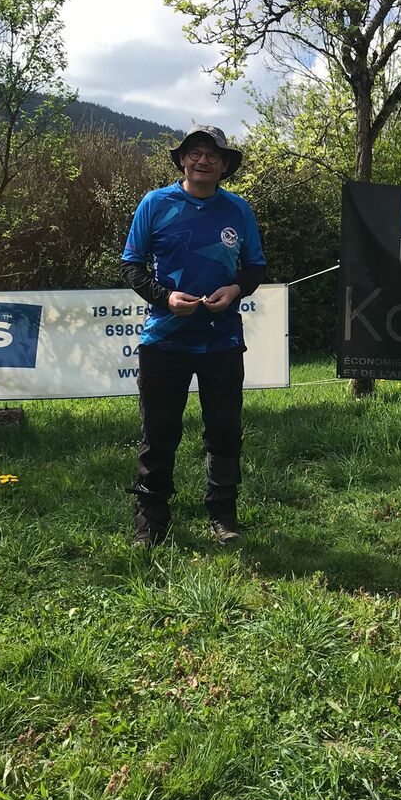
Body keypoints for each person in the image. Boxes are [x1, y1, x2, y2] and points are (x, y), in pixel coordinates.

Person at [121, 125, 267, 547]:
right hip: (163, 341)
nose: (203, 160)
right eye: (195, 153)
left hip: (222, 342)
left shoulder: (238, 209)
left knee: (224, 431)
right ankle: (150, 523)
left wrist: (235, 289)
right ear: (182, 160)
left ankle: (223, 516)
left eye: (212, 155)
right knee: (158, 433)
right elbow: (131, 265)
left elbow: (255, 267)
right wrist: (164, 298)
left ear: (224, 167)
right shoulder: (155, 203)